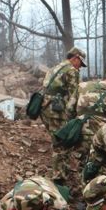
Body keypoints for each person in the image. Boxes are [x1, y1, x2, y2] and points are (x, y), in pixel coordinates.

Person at [40, 47, 86, 183]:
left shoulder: (55, 68)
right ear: (75, 58)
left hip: (45, 108)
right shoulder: (72, 71)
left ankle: (59, 171)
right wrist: (77, 116)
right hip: (56, 111)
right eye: (80, 63)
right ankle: (59, 178)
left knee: (57, 141)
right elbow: (75, 95)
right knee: (61, 144)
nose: (80, 67)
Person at [72, 70, 106, 162]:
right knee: (97, 164)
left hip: (79, 131)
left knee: (80, 161)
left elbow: (69, 108)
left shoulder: (82, 86)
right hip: (100, 137)